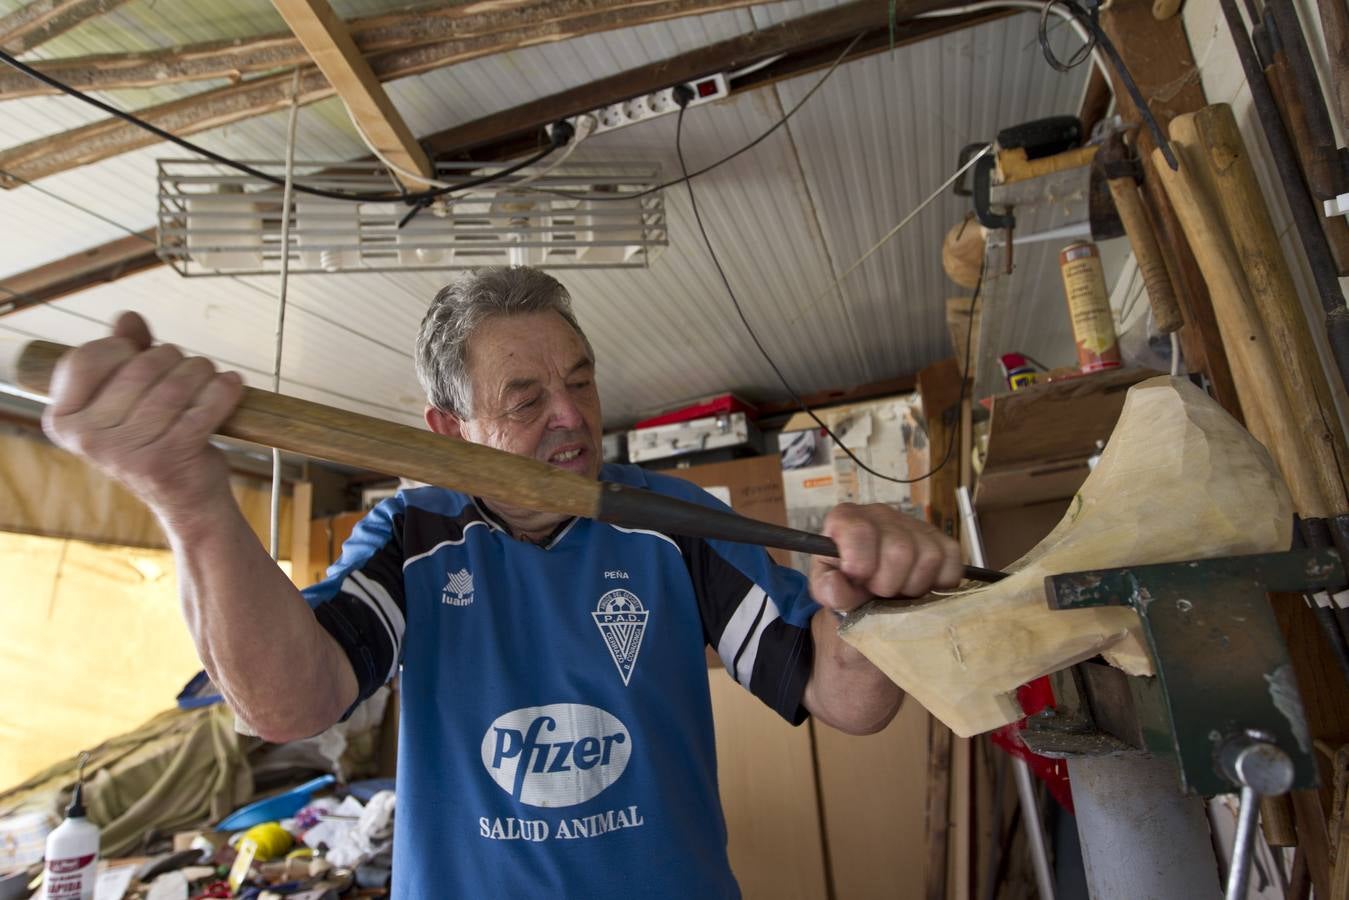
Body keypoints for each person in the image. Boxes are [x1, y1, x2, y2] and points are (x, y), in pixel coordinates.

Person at [43, 266, 962, 898]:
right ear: (449, 431)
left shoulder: (669, 521)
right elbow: (290, 704)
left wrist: (873, 604)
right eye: (525, 399)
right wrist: (192, 498)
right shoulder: (414, 534)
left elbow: (845, 698)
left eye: (581, 382)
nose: (571, 417)